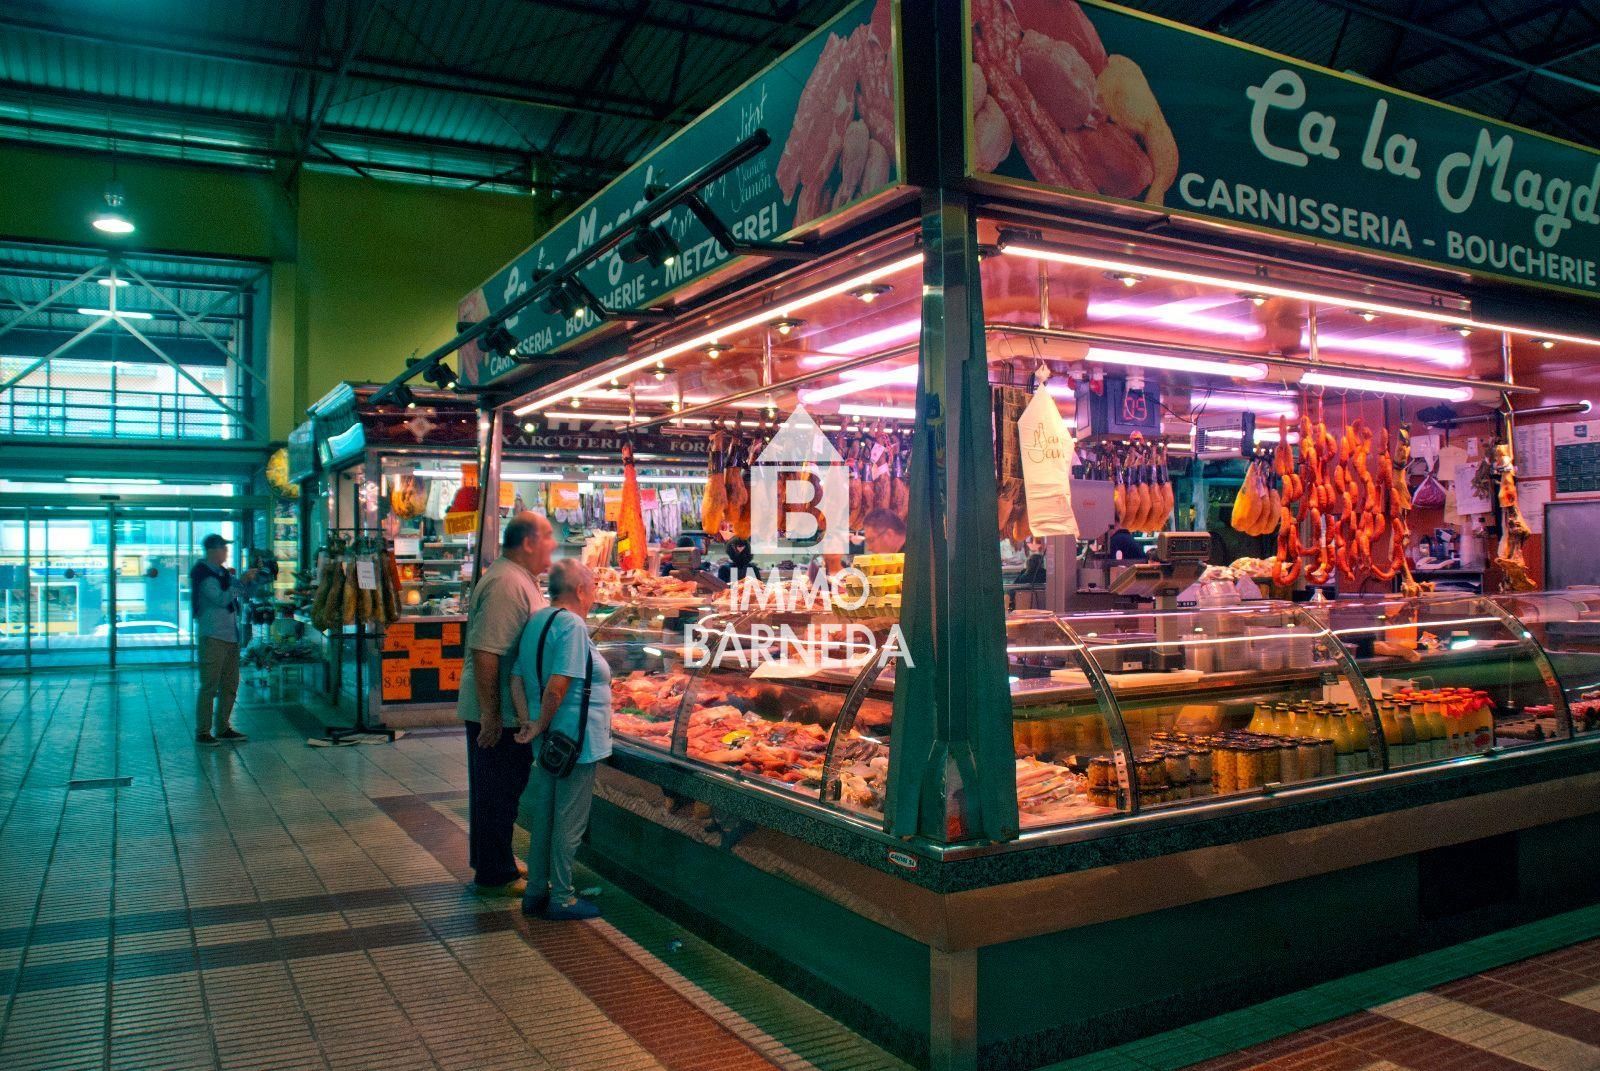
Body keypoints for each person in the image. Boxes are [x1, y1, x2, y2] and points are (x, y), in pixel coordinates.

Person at [457, 511, 556, 895]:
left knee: (500, 791)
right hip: (499, 712)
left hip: (506, 710)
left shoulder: (517, 578)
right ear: (528, 542)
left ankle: (494, 861)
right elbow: (486, 653)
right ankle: (495, 874)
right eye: (547, 537)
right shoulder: (506, 584)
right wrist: (491, 715)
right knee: (496, 792)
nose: (553, 544)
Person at [512, 559, 613, 921]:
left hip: (550, 739)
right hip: (575, 741)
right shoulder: (571, 625)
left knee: (545, 816)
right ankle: (563, 897)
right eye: (593, 587)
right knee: (569, 822)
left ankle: (536, 892)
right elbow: (558, 686)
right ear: (580, 590)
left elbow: (516, 677)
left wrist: (530, 723)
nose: (595, 595)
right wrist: (540, 722)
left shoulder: (537, 619)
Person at [192, 534, 261, 745]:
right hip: (213, 636)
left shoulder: (222, 573)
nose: (226, 551)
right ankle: (203, 732)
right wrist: (241, 581)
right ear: (212, 550)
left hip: (230, 636)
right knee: (210, 686)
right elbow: (222, 599)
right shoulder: (204, 575)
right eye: (223, 548)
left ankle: (223, 727)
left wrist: (250, 581)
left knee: (230, 685)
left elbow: (240, 593)